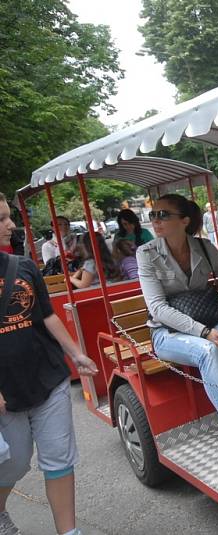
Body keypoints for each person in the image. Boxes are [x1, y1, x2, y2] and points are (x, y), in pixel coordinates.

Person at [0, 192, 100, 535]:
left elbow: (47, 316)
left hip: (49, 377)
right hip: (6, 393)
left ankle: (69, 532)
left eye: (7, 216)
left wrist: (76, 354)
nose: (10, 225)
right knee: (13, 463)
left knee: (58, 458)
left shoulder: (23, 266)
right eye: (1, 219)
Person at [136, 194, 218, 472]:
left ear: (184, 220)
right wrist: (202, 331)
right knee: (208, 350)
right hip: (168, 333)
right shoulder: (147, 253)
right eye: (153, 215)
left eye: (163, 215)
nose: (156, 220)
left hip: (209, 319)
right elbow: (158, 309)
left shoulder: (204, 247)